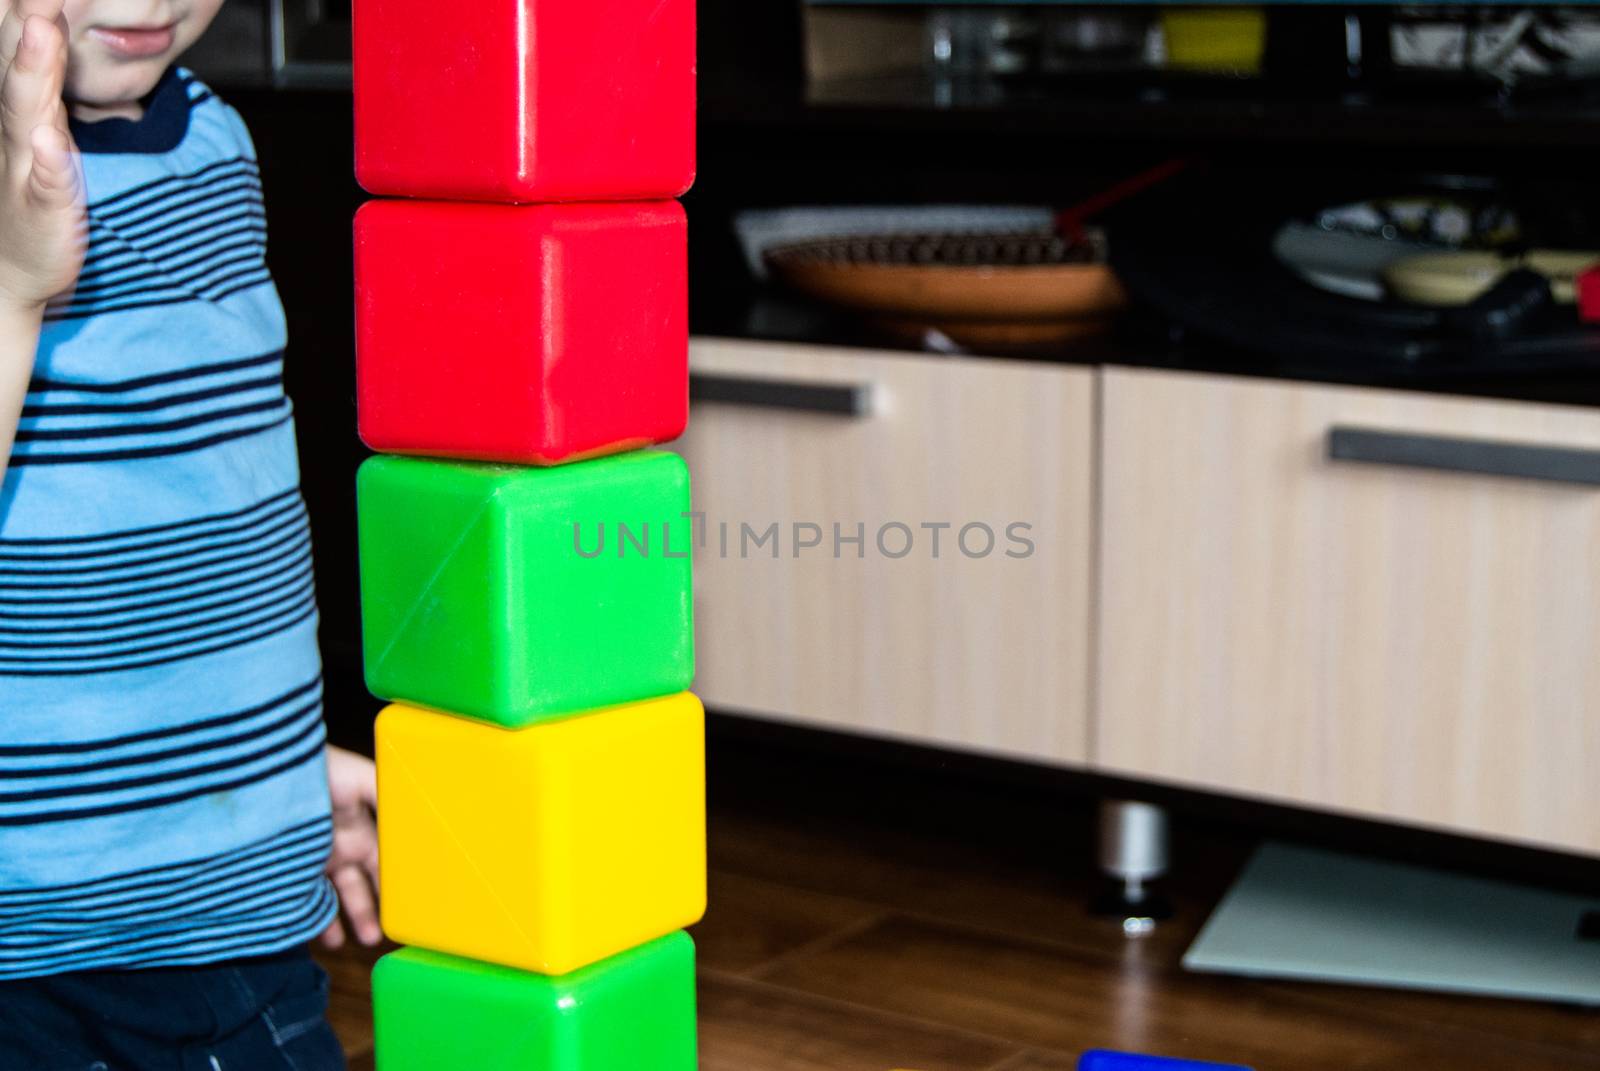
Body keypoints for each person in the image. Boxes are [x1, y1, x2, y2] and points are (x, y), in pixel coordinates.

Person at [0, 0, 376, 1065]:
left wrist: (273, 765)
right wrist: (15, 287)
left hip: (234, 915)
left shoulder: (215, 135)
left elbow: (211, 497)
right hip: (30, 942)